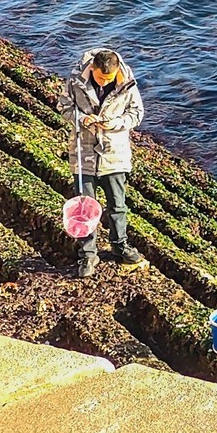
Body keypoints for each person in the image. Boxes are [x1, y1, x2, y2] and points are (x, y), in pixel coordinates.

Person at [57, 48, 145, 278]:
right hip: (83, 152)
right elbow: (63, 106)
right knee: (84, 208)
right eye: (100, 78)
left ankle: (120, 245)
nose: (104, 82)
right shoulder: (75, 80)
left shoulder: (127, 83)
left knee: (117, 205)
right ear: (92, 69)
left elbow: (136, 114)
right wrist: (82, 119)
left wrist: (115, 123)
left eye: (109, 79)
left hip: (114, 153)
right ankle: (87, 254)